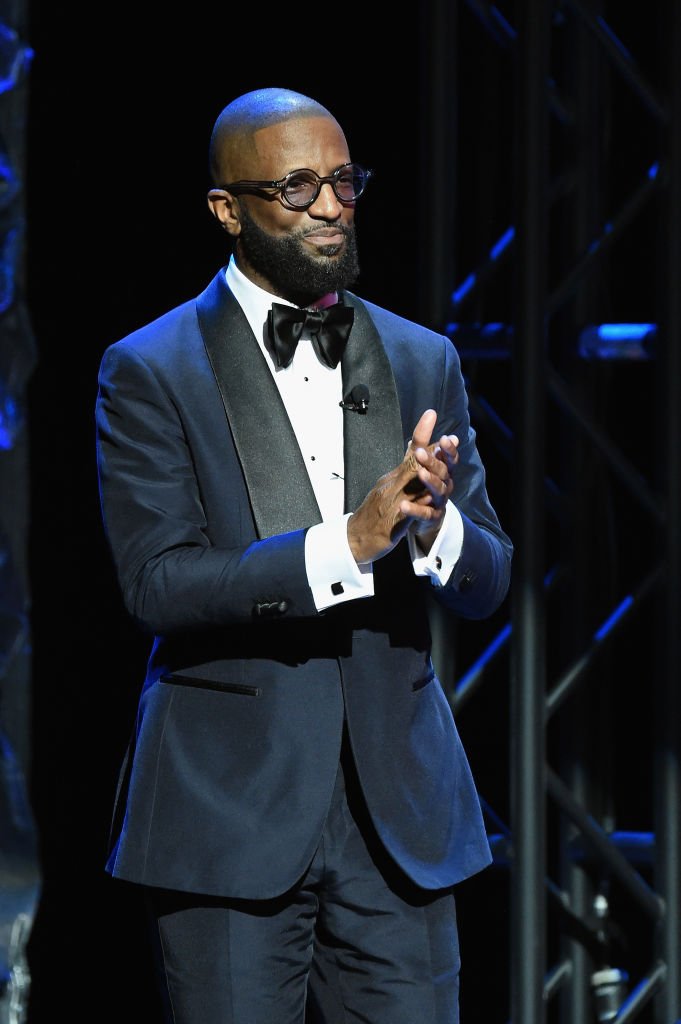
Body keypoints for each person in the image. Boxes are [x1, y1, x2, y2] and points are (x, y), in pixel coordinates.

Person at [95, 86, 513, 1024]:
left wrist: (434, 529)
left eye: (342, 181)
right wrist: (345, 546)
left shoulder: (420, 357)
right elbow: (156, 583)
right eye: (295, 186)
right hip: (230, 814)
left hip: (398, 821)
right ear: (226, 210)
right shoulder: (150, 367)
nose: (329, 205)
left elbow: (493, 579)